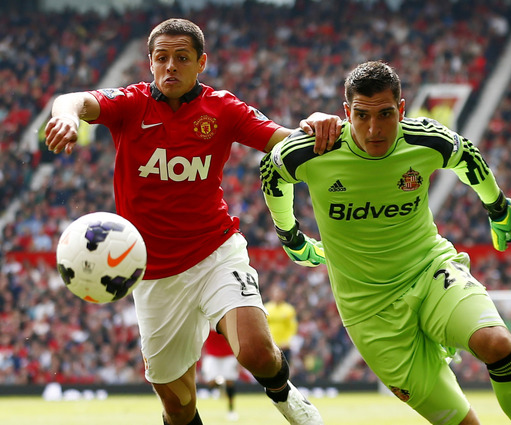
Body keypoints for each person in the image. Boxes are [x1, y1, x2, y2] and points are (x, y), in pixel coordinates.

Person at [44, 18, 340, 425]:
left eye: (181, 58)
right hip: (152, 274)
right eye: (161, 58)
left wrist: (317, 125)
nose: (170, 67)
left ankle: (285, 396)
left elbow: (284, 141)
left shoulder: (223, 108)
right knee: (179, 408)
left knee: (256, 351)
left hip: (214, 251)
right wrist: (66, 116)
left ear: (201, 63)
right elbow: (72, 98)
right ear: (149, 62)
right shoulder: (131, 104)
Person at [260, 60, 511, 425]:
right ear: (347, 112)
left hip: (430, 272)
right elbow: (272, 171)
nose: (373, 128)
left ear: (402, 109)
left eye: (384, 114)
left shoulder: (424, 138)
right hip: (368, 311)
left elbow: (466, 156)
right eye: (362, 115)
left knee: (497, 344)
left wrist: (498, 205)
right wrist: (291, 235)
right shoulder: (315, 148)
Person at [200, 330, 240, 421]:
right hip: (212, 356)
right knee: (210, 383)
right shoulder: (205, 319)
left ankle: (231, 410)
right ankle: (220, 386)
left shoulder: (226, 319)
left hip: (228, 355)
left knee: (230, 383)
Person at [265, 285, 299, 363]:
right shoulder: (266, 308)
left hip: (284, 346)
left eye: (279, 293)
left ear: (284, 295)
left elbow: (292, 327)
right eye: (275, 293)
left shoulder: (289, 309)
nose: (277, 295)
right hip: (271, 345)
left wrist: (287, 342)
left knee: (284, 369)